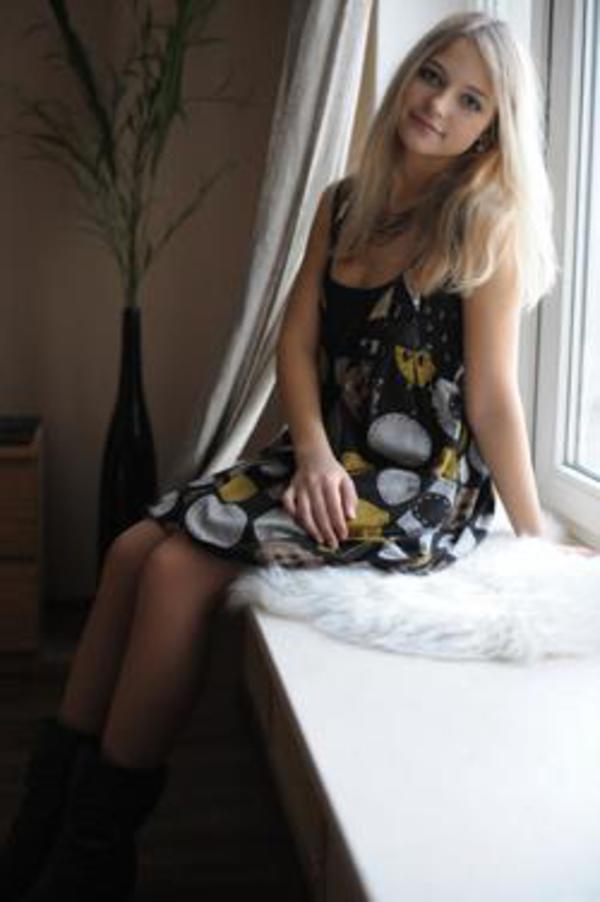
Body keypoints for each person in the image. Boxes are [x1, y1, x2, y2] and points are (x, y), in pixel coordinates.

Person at [1, 10, 571, 900]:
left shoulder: (479, 225)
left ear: (491, 132)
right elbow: (296, 345)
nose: (439, 105)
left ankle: (92, 854)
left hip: (418, 485)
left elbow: (494, 398)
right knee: (130, 552)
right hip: (327, 456)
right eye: (434, 76)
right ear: (409, 77)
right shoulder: (343, 203)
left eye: (472, 101)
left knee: (176, 570)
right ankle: (44, 824)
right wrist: (311, 452)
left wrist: (532, 537)